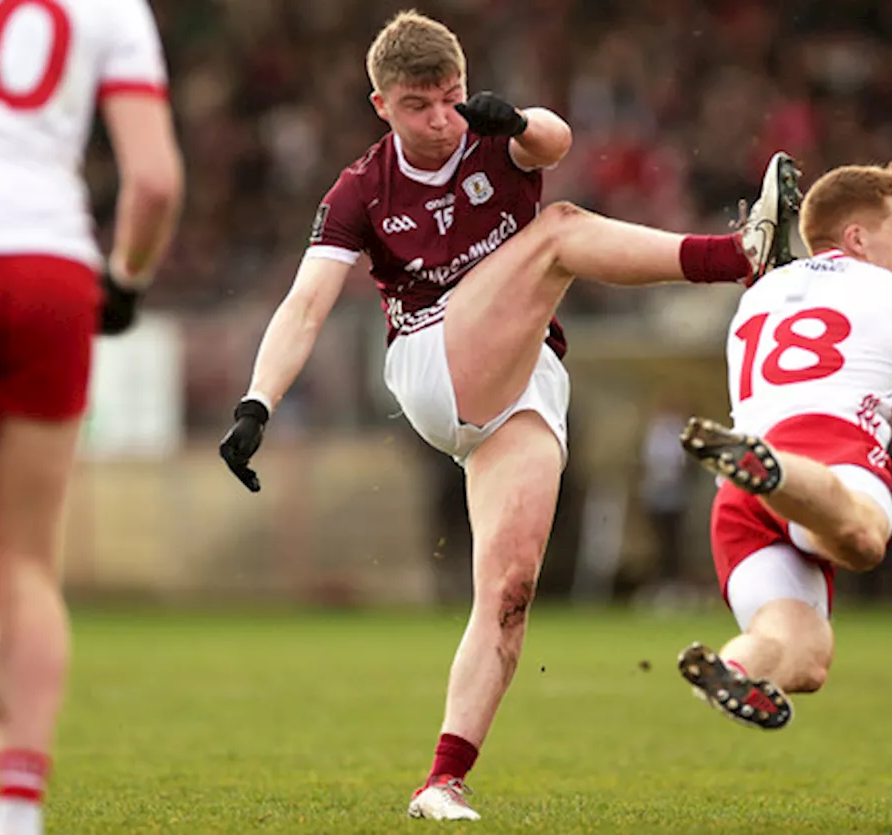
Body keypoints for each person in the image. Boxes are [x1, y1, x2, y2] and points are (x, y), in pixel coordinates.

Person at [216, 10, 797, 821]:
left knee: (511, 590)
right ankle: (741, 255)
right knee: (558, 232)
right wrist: (257, 401)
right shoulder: (359, 189)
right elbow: (307, 302)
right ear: (380, 104)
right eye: (419, 105)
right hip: (431, 363)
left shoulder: (493, 132)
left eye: (450, 97)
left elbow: (554, 142)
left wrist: (516, 119)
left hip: (523, 383)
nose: (442, 118)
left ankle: (441, 779)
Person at [0, 1, 183, 832]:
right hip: (50, 266)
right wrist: (128, 279)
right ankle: (16, 804)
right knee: (27, 562)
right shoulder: (112, 8)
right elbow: (154, 181)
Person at [675, 162, 892, 730]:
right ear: (858, 238)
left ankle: (732, 669)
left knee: (803, 651)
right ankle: (776, 475)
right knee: (864, 541)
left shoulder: (758, 294)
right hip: (828, 451)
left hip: (742, 488)